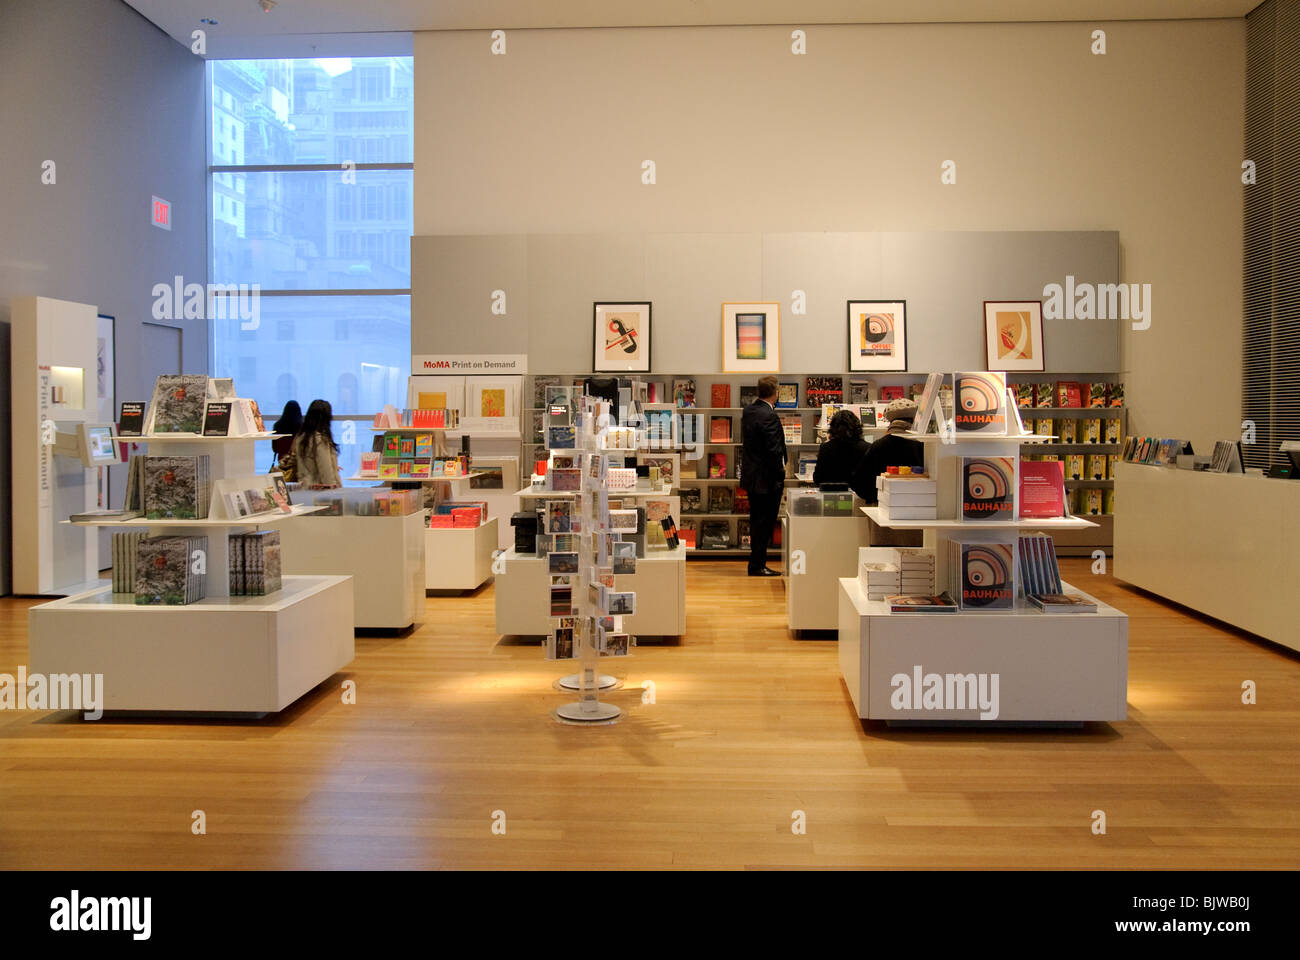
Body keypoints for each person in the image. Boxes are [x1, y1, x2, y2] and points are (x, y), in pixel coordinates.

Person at [851, 397, 926, 547]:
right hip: (917, 518)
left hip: (883, 520)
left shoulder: (878, 446)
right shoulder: (923, 445)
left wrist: (876, 497)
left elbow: (859, 482)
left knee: (883, 562)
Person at [739, 375, 787, 576]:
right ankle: (757, 565)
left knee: (756, 520)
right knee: (764, 523)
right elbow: (774, 450)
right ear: (775, 393)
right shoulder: (769, 416)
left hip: (752, 477)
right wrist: (780, 474)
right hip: (767, 480)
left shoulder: (749, 411)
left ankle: (756, 563)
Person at [292, 399, 342, 489]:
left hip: (306, 488)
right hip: (321, 492)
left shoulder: (301, 437)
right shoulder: (320, 439)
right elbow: (326, 473)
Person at [813, 409, 869, 486]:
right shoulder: (866, 448)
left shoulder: (826, 448)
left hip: (830, 495)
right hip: (859, 495)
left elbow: (817, 479)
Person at [271, 400, 303, 479]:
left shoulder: (277, 425)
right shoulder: (302, 427)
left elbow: (275, 448)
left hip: (282, 461)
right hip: (296, 461)